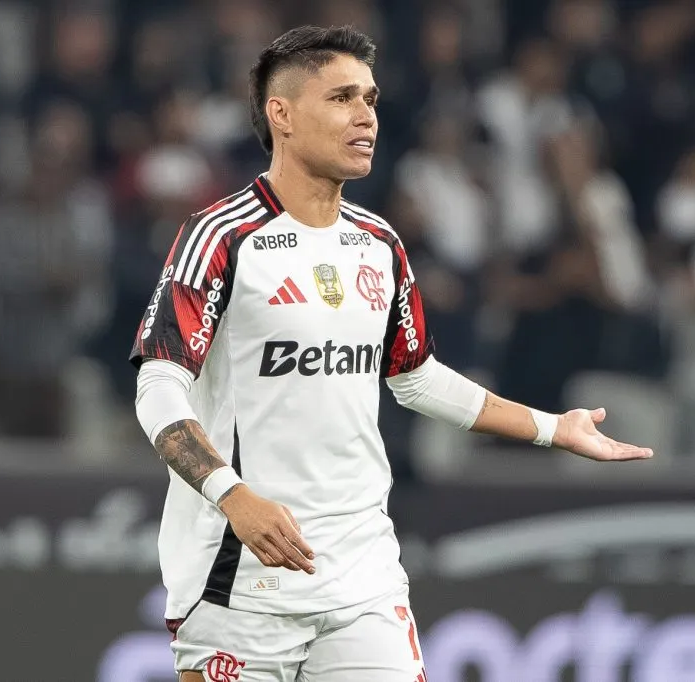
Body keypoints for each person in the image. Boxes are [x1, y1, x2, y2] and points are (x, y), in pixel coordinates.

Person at [130, 25, 653, 682]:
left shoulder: (379, 243)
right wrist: (233, 496)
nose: (365, 117)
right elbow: (159, 383)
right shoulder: (223, 237)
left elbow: (415, 376)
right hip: (239, 576)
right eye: (342, 98)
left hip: (362, 575)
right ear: (281, 114)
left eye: (371, 100)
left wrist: (551, 427)